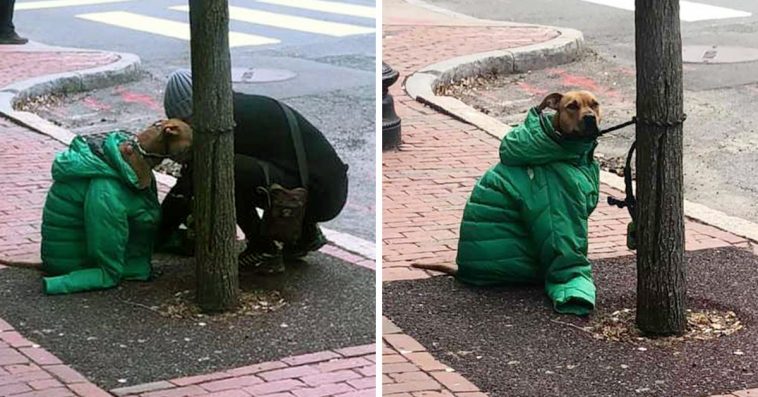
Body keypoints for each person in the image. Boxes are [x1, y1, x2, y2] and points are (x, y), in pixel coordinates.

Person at [159, 69, 349, 274]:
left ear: (193, 113)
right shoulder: (240, 106)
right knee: (244, 169)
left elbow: (189, 184)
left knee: (217, 169)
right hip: (328, 189)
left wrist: (155, 236)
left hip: (319, 198)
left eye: (185, 123)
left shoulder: (222, 125)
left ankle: (263, 249)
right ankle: (304, 234)